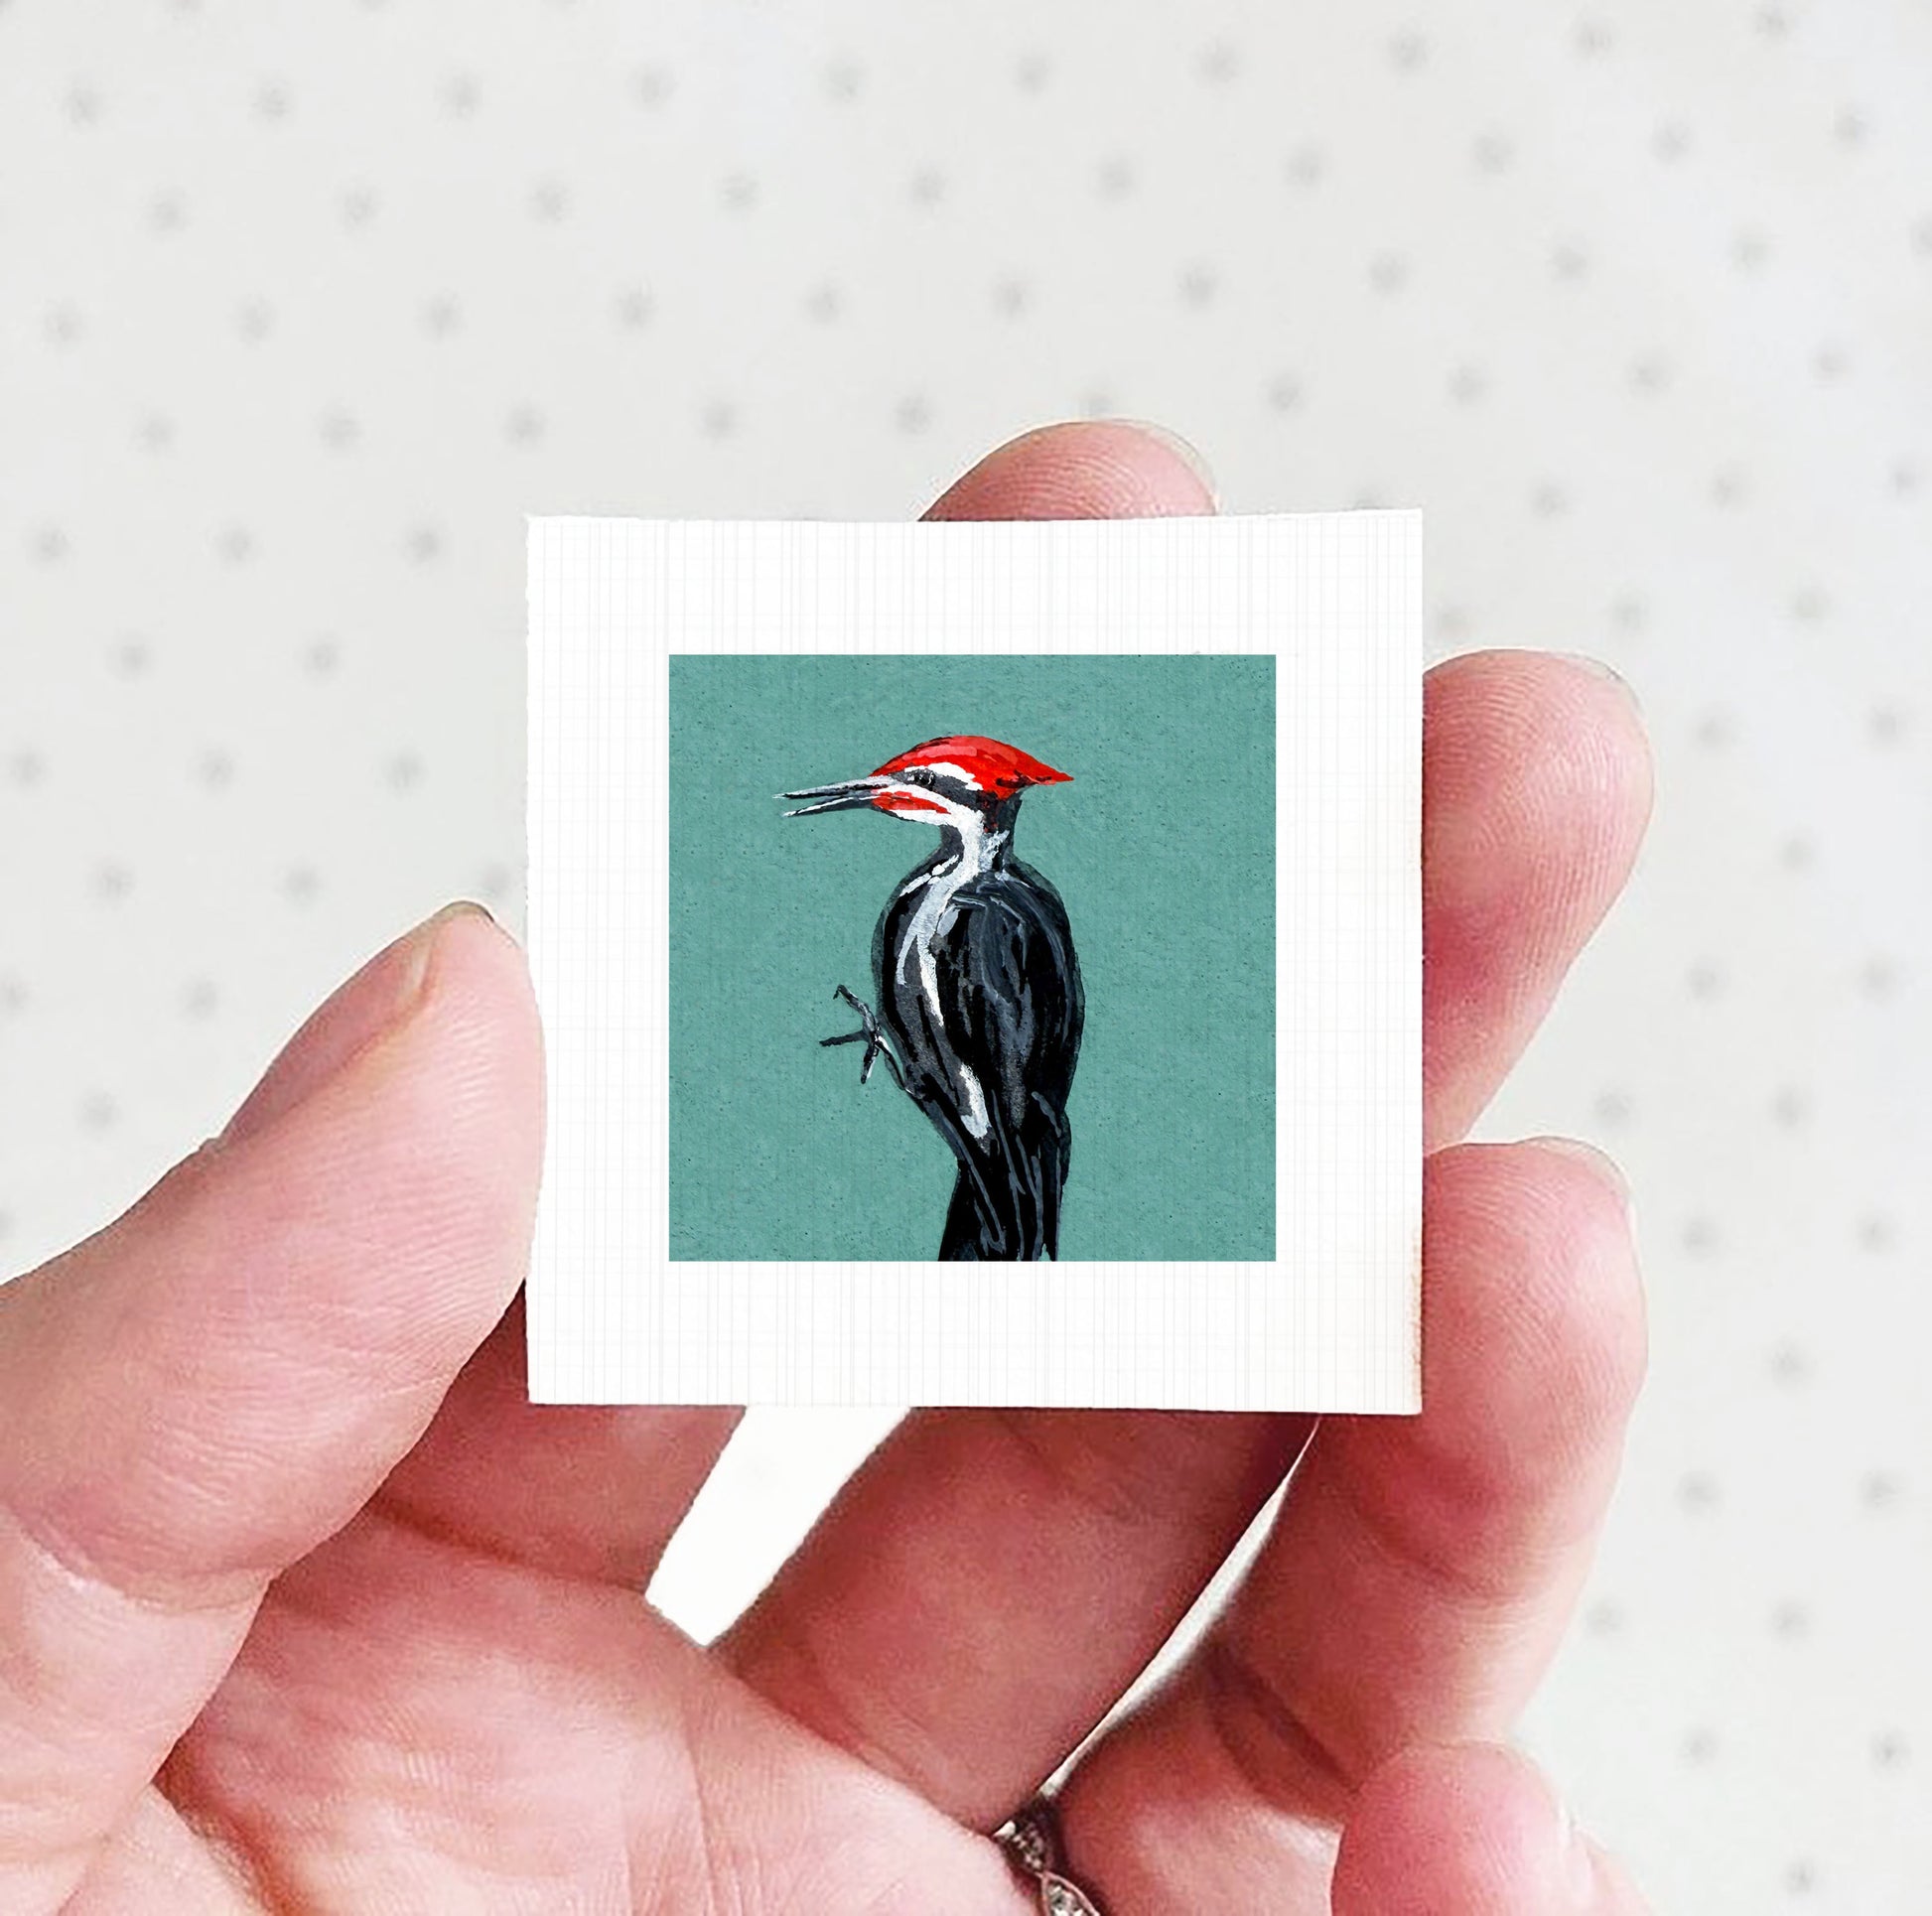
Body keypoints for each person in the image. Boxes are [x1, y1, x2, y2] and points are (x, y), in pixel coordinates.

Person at [0, 422, 1652, 1913]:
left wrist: (980, 1122)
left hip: (1009, 1148)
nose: (884, 799)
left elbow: (1018, 1080)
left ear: (972, 814)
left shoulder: (994, 910)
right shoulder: (928, 910)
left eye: (915, 786)